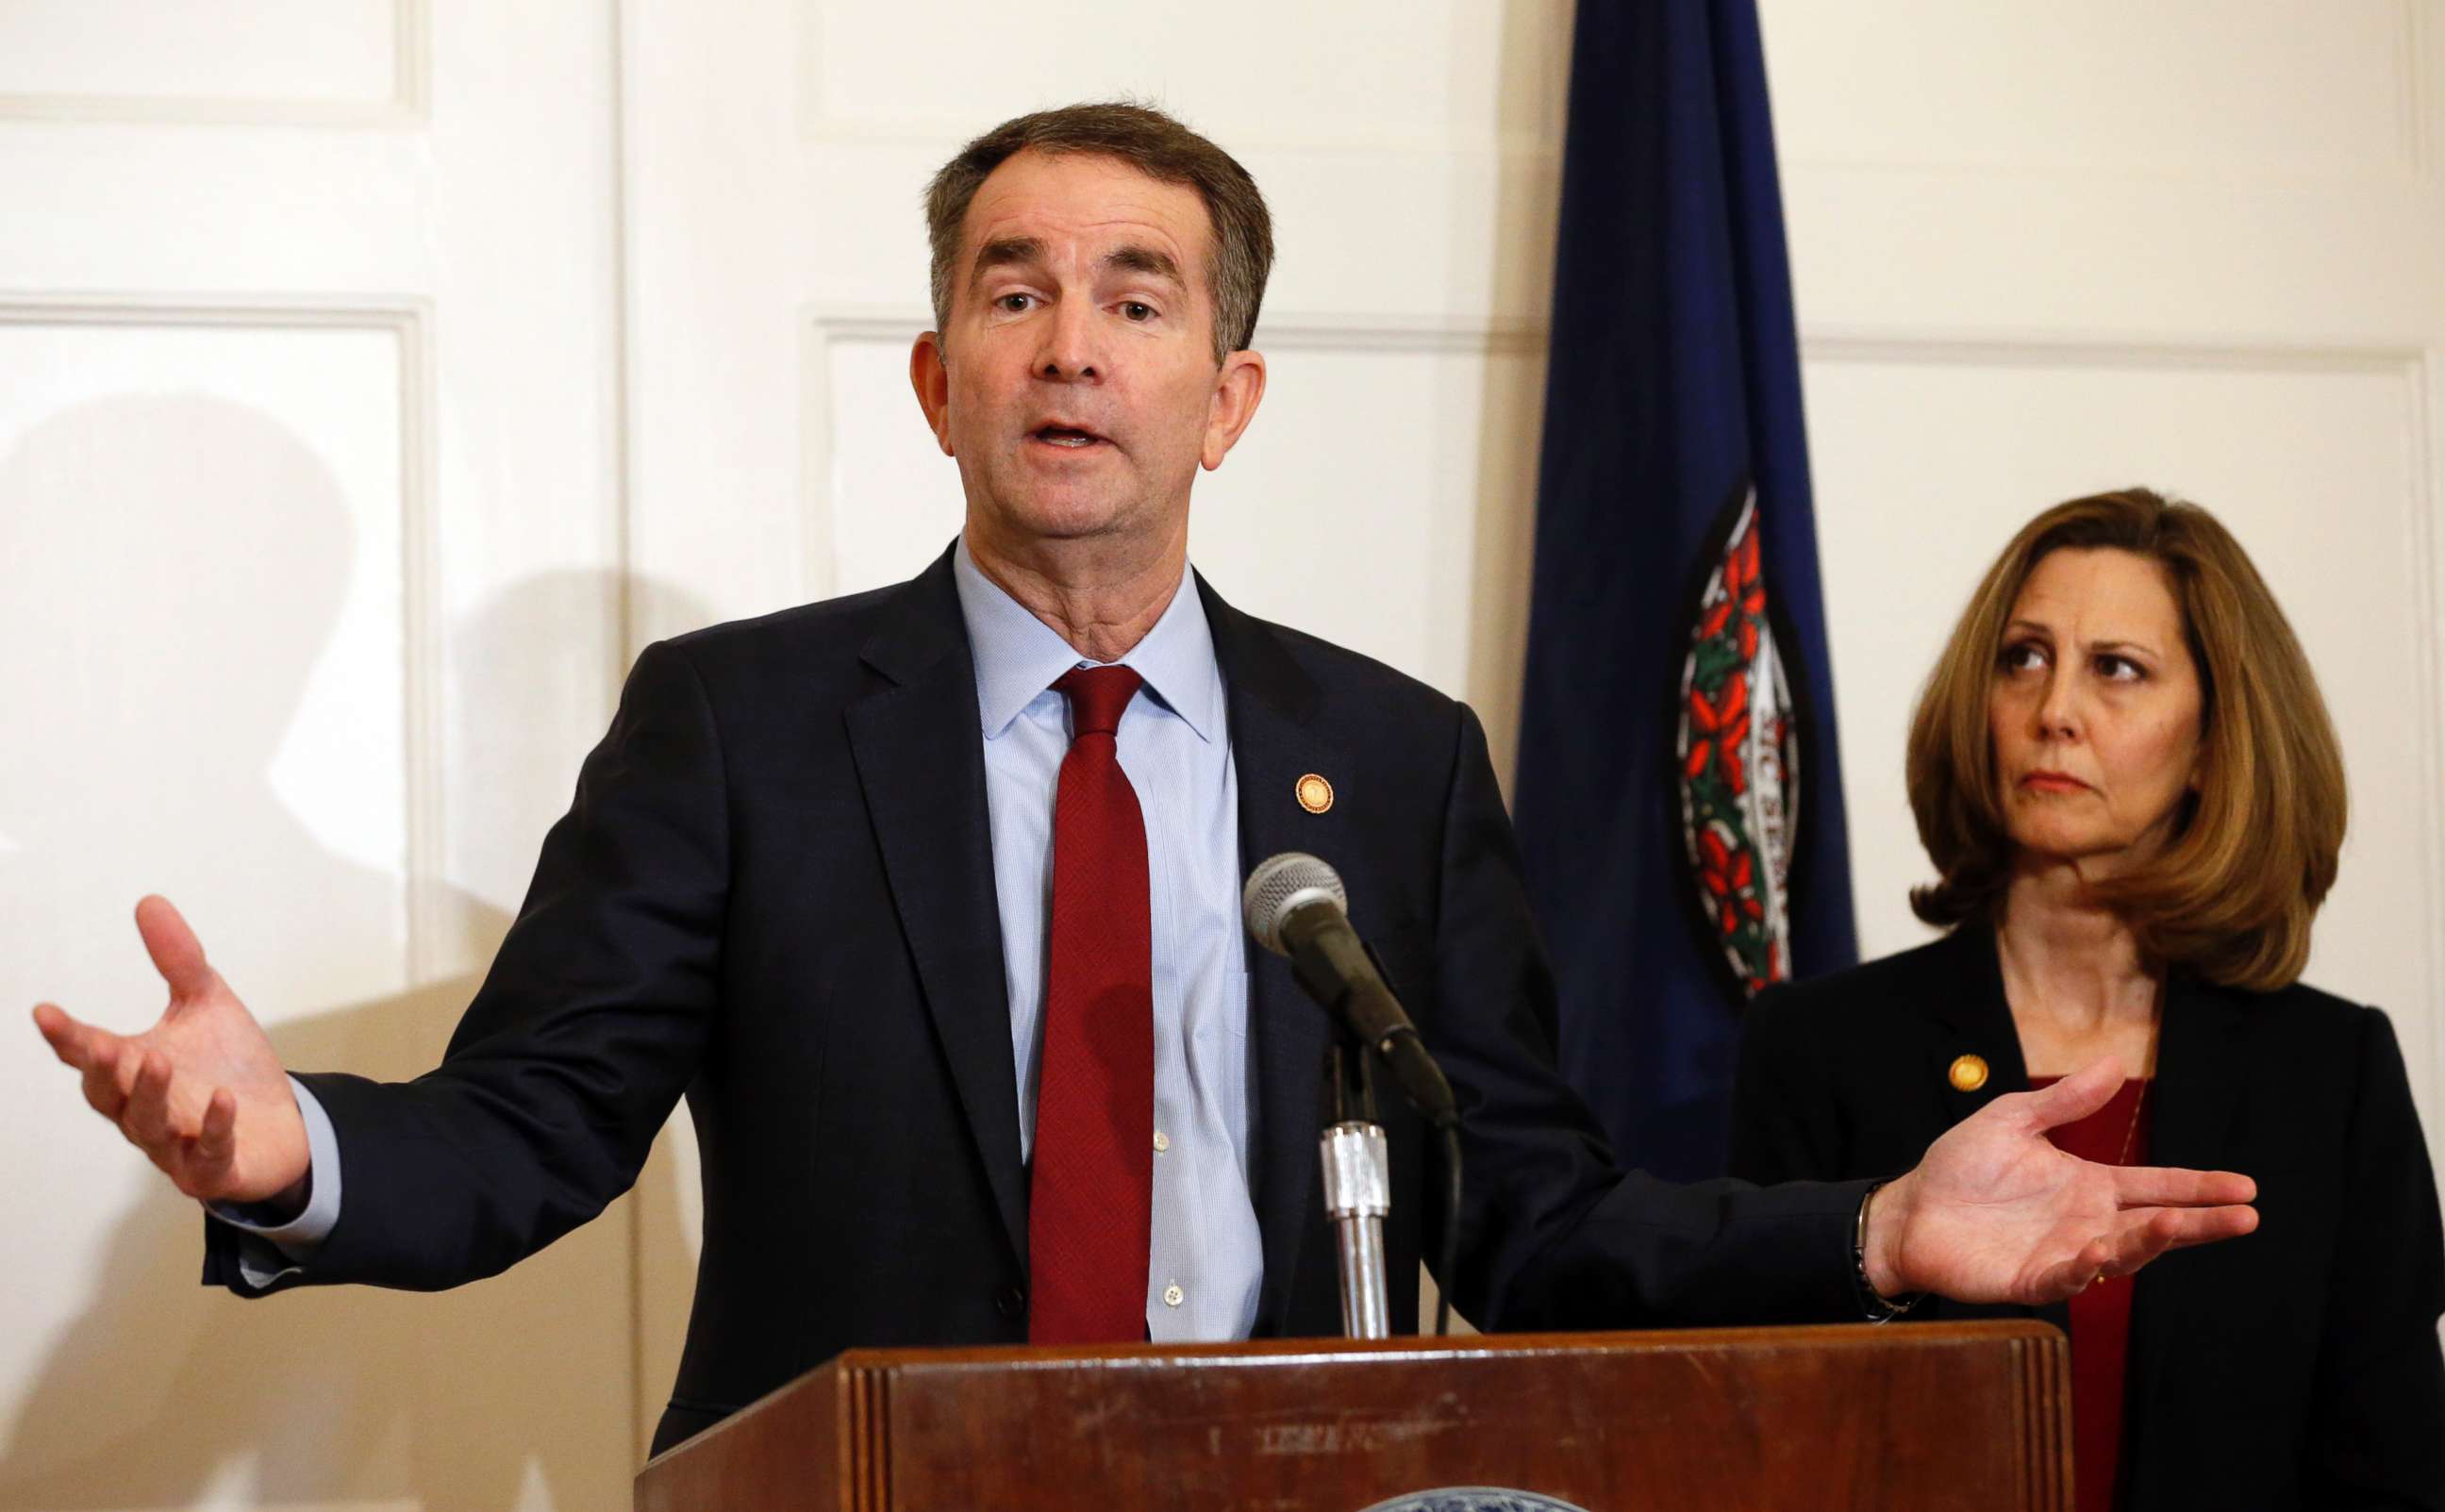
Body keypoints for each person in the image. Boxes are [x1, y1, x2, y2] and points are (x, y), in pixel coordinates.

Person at [34, 107, 2257, 1457]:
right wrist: (288, 1145)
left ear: (1232, 390)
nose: (1069, 342)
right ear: (935, 380)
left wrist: (1870, 1229)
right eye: (1010, 293)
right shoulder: (745, 731)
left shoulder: (1385, 766)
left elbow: (1537, 1217)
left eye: (1133, 296)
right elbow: (531, 1133)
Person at [1730, 488, 2445, 1512]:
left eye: (2117, 669)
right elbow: (1768, 1438)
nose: (2053, 709)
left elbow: (2389, 1473)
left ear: (2211, 743)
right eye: (2023, 657)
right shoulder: (1820, 1046)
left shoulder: (2331, 1071)